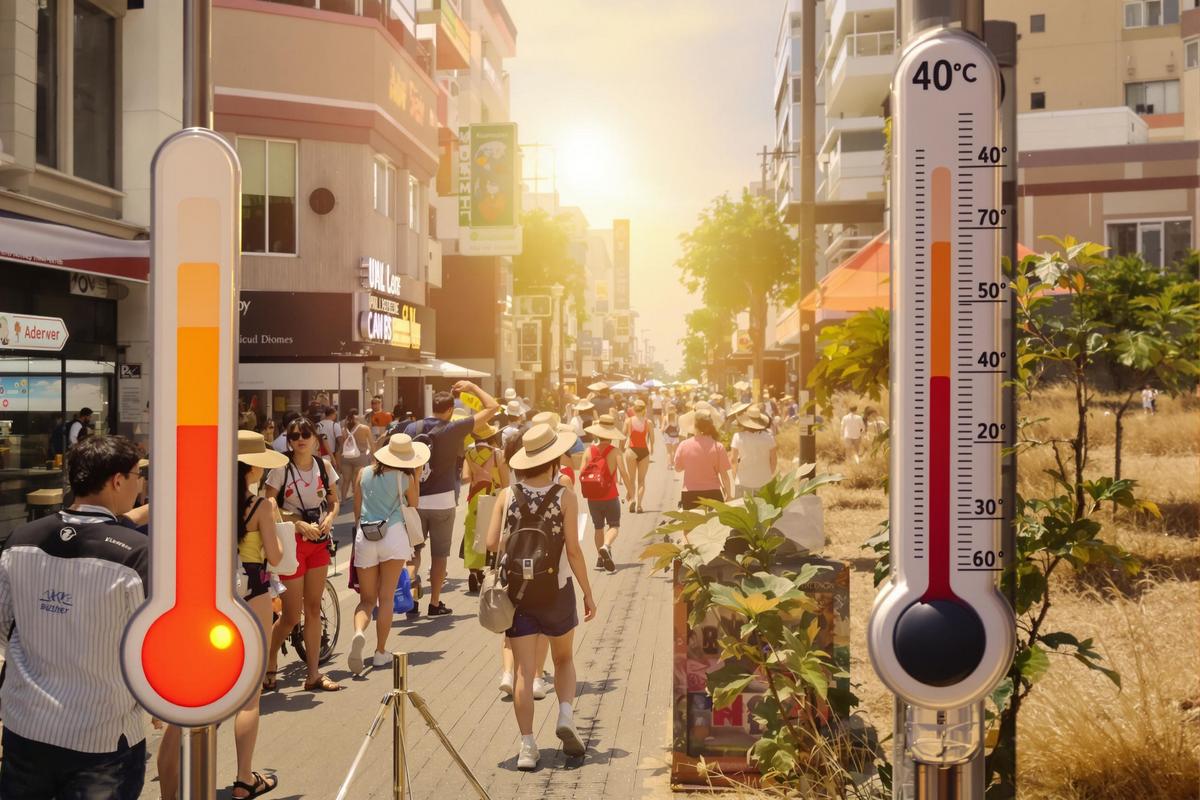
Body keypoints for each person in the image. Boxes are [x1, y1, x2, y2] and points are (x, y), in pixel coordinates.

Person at [0, 435, 148, 798]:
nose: (140, 484)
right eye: (137, 475)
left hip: (26, 725)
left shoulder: (20, 539)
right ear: (117, 481)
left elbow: (3, 628)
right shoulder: (136, 554)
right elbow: (151, 647)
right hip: (101, 736)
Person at [485, 424, 597, 771]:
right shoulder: (565, 496)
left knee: (523, 670)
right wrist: (588, 592)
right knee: (563, 659)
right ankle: (564, 715)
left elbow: (490, 543)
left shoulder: (507, 495)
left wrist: (518, 543)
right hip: (557, 589)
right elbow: (574, 551)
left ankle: (527, 747)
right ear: (553, 460)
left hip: (519, 593)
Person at [404, 381, 500, 616]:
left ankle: (411, 598)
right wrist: (472, 387)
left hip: (414, 500)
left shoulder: (412, 428)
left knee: (413, 554)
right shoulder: (454, 428)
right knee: (439, 556)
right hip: (443, 501)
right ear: (449, 410)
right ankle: (435, 603)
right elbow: (493, 407)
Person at [263, 416, 342, 693]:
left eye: (305, 434)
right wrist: (296, 522)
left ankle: (313, 674)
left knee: (313, 609)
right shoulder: (281, 468)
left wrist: (330, 518)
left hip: (319, 542)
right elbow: (269, 504)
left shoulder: (324, 466)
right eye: (294, 435)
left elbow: (334, 501)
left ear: (315, 438)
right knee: (291, 615)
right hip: (291, 543)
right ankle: (270, 659)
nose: (300, 439)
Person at [348, 434, 427, 674]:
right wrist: (415, 475)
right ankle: (380, 651)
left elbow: (356, 511)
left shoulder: (363, 473)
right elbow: (414, 504)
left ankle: (359, 632)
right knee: (386, 598)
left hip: (366, 536)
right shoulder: (405, 477)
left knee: (366, 600)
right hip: (392, 536)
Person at [462, 420, 508, 594]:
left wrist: (478, 472)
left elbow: (465, 478)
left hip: (475, 497)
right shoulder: (498, 454)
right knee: (495, 533)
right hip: (494, 497)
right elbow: (506, 482)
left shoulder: (469, 454)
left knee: (474, 534)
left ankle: (474, 572)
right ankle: (494, 571)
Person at [581, 414, 631, 574]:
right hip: (610, 495)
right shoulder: (615, 451)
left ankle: (600, 559)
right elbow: (624, 473)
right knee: (614, 525)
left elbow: (581, 473)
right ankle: (606, 546)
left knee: (598, 527)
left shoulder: (588, 451)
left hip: (592, 497)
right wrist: (630, 491)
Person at [674, 409, 731, 510]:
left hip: (690, 494)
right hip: (713, 493)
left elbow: (677, 468)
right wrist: (729, 495)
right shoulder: (718, 446)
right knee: (715, 520)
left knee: (692, 520)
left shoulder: (684, 445)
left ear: (694, 426)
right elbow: (724, 475)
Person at [730, 407, 778, 498]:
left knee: (743, 506)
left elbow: (733, 460)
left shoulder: (738, 437)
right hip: (764, 481)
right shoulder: (769, 437)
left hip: (743, 481)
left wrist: (734, 477)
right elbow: (774, 460)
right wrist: (767, 474)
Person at [624, 398, 655, 513]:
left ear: (633, 409)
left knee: (631, 479)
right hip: (644, 451)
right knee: (641, 481)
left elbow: (623, 435)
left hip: (631, 450)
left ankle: (632, 500)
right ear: (644, 410)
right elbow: (652, 438)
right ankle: (639, 505)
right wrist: (652, 448)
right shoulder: (648, 422)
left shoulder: (628, 421)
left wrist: (621, 448)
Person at [340, 408, 373, 503]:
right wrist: (373, 457)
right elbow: (371, 443)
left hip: (346, 457)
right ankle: (356, 500)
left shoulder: (344, 429)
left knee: (346, 480)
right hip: (360, 457)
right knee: (357, 480)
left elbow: (341, 445)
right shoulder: (364, 428)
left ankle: (343, 500)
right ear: (357, 416)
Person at [316, 406, 343, 470]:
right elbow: (340, 440)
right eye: (335, 414)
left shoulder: (317, 425)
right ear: (332, 414)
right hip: (332, 455)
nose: (335, 416)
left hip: (319, 454)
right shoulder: (335, 425)